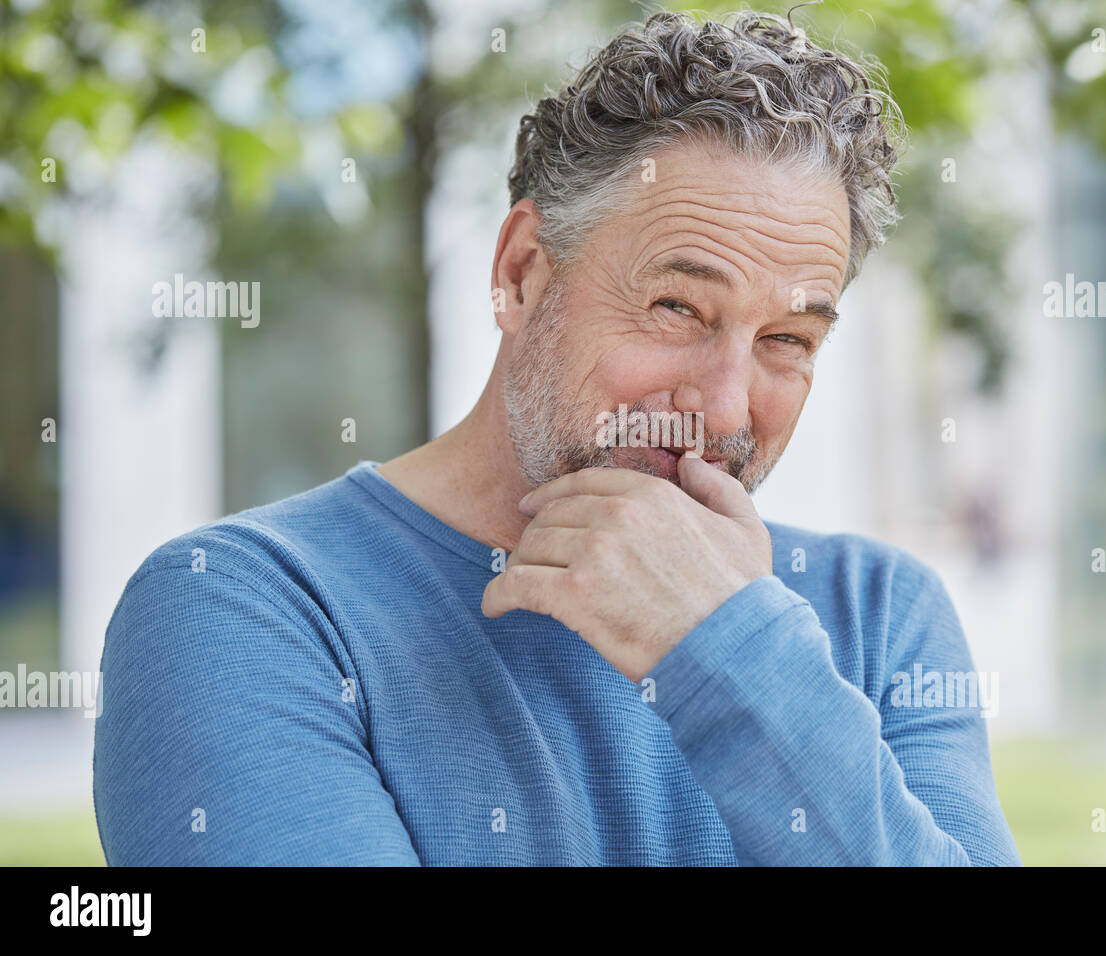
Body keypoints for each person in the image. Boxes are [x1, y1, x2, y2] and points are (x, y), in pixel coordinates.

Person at [94, 9, 1021, 865]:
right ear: (524, 271)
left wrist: (730, 651)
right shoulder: (243, 610)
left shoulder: (877, 613)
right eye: (677, 306)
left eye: (787, 339)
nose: (729, 408)